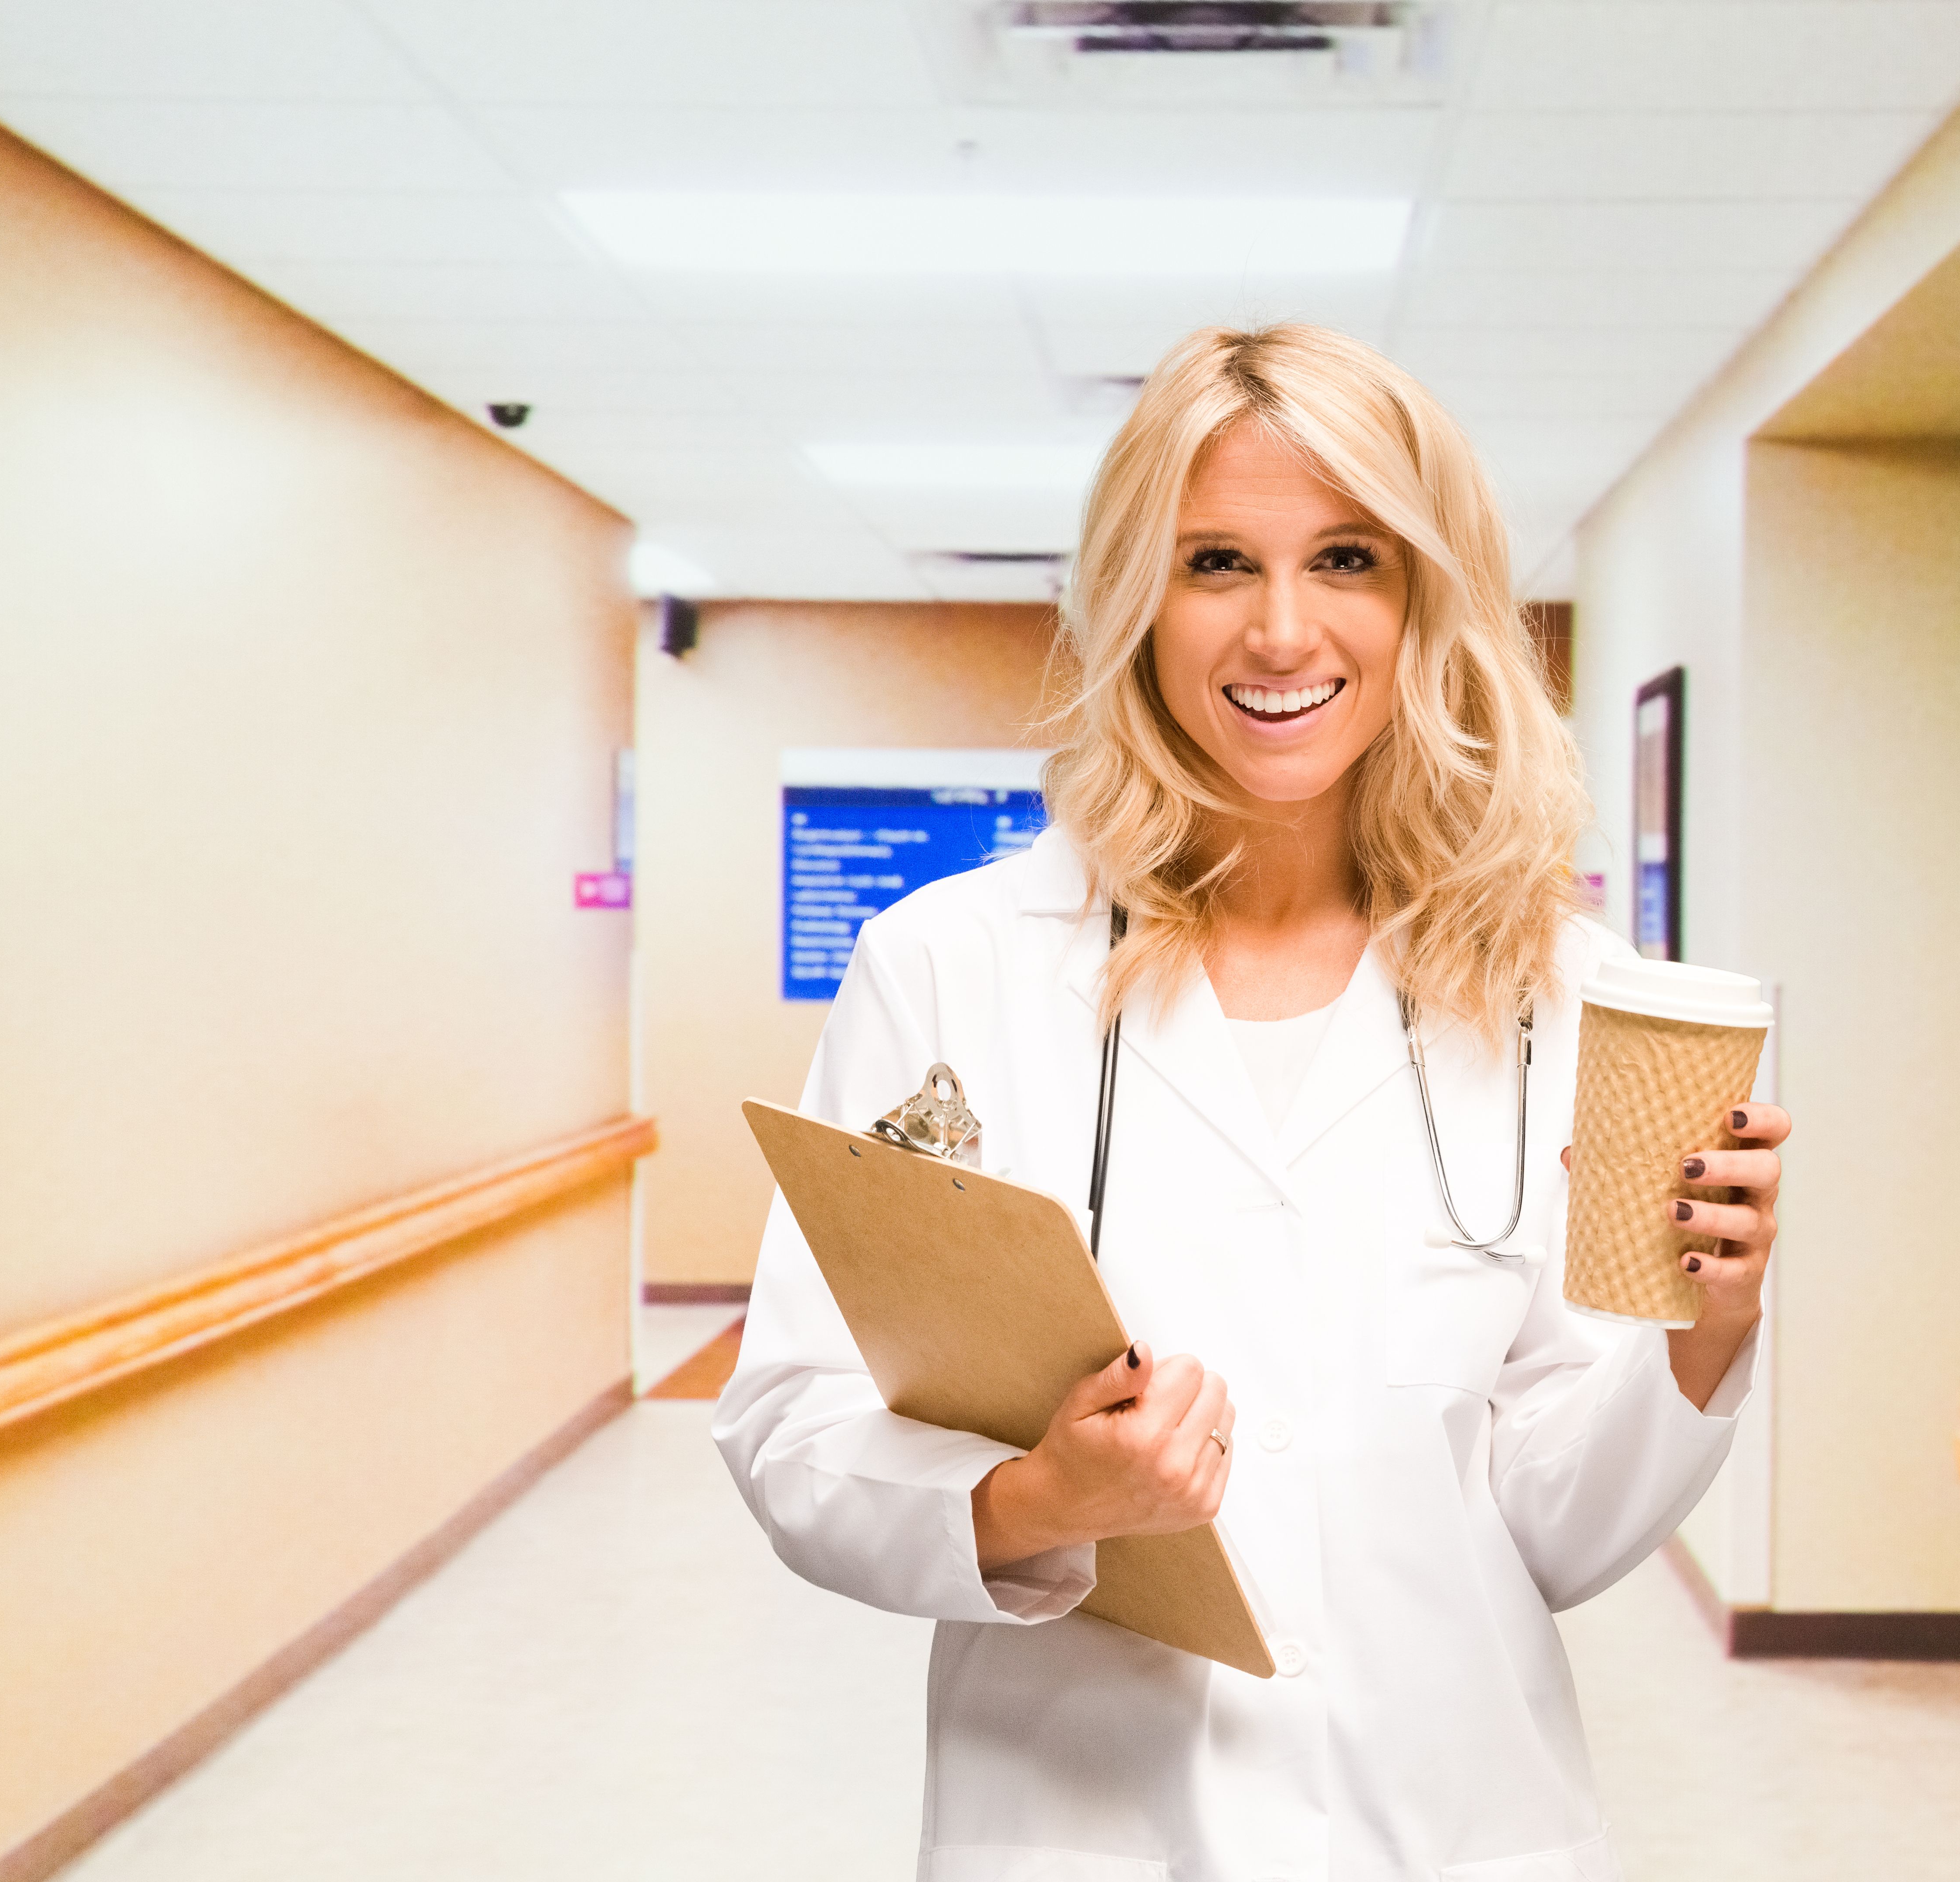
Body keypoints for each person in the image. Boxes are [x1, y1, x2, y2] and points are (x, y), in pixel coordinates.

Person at [714, 323, 1791, 1881]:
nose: (1282, 631)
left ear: (1429, 595)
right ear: (1134, 601)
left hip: (1452, 1822)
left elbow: (1543, 1531)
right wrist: (1035, 1499)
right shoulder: (950, 966)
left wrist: (1702, 1338)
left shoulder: (1559, 985)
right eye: (1215, 560)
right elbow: (796, 1432)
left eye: (1347, 557)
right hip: (1077, 1826)